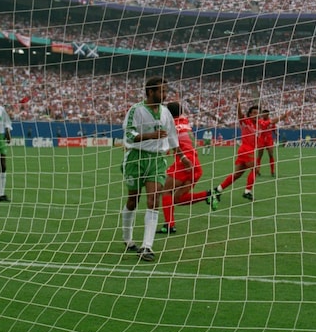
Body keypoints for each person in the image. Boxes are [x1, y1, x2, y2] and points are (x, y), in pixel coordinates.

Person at [121, 77, 180, 262]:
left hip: (156, 160)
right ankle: (128, 239)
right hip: (136, 158)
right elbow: (128, 134)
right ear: (150, 92)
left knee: (154, 199)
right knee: (133, 200)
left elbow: (172, 135)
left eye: (165, 91)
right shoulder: (136, 109)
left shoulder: (165, 113)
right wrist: (150, 135)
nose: (164, 95)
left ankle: (147, 246)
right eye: (161, 91)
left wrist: (183, 157)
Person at [212, 95, 290, 202]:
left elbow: (272, 121)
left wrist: (283, 116)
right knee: (255, 169)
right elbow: (239, 114)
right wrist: (238, 101)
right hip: (246, 149)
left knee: (237, 174)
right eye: (254, 113)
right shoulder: (246, 121)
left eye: (258, 113)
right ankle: (247, 191)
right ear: (249, 114)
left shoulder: (260, 124)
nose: (256, 115)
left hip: (247, 151)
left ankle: (217, 190)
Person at [158, 101, 218, 235]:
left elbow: (169, 141)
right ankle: (208, 195)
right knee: (177, 199)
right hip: (196, 164)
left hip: (184, 162)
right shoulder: (184, 120)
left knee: (166, 191)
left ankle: (169, 225)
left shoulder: (169, 125)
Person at [255, 109, 278, 176]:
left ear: (267, 114)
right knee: (260, 155)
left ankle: (272, 171)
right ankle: (257, 170)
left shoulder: (271, 122)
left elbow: (274, 129)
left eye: (264, 114)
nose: (262, 115)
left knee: (271, 154)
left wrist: (276, 133)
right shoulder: (260, 121)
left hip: (269, 140)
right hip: (261, 139)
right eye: (262, 114)